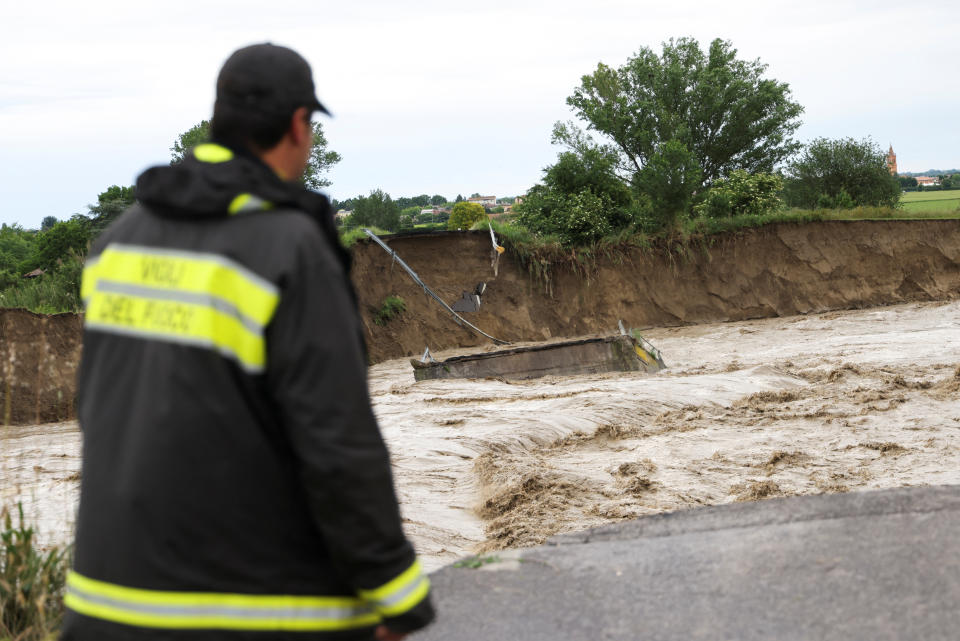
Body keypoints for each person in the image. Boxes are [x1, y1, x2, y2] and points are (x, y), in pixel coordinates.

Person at [62, 43, 434, 641]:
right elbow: (336, 439)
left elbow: (100, 410)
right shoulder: (289, 248)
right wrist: (398, 594)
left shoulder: (117, 243)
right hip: (251, 612)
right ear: (297, 125)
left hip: (104, 604)